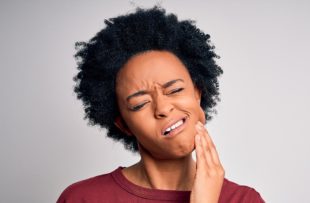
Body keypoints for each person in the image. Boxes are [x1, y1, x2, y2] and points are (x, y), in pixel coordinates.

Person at [57, 7, 264, 203]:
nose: (163, 109)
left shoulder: (243, 200)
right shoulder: (82, 198)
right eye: (140, 104)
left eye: (175, 90)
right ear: (124, 125)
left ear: (197, 94)